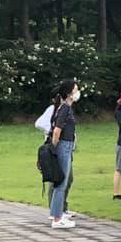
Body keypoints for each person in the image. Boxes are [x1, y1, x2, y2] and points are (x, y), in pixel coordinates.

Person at [48, 79, 80, 229]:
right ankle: (57, 218)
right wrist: (54, 149)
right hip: (64, 146)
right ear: (69, 93)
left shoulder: (63, 107)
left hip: (65, 145)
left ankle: (57, 214)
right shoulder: (65, 108)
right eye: (75, 90)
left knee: (60, 183)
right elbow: (57, 130)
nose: (77, 92)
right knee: (62, 183)